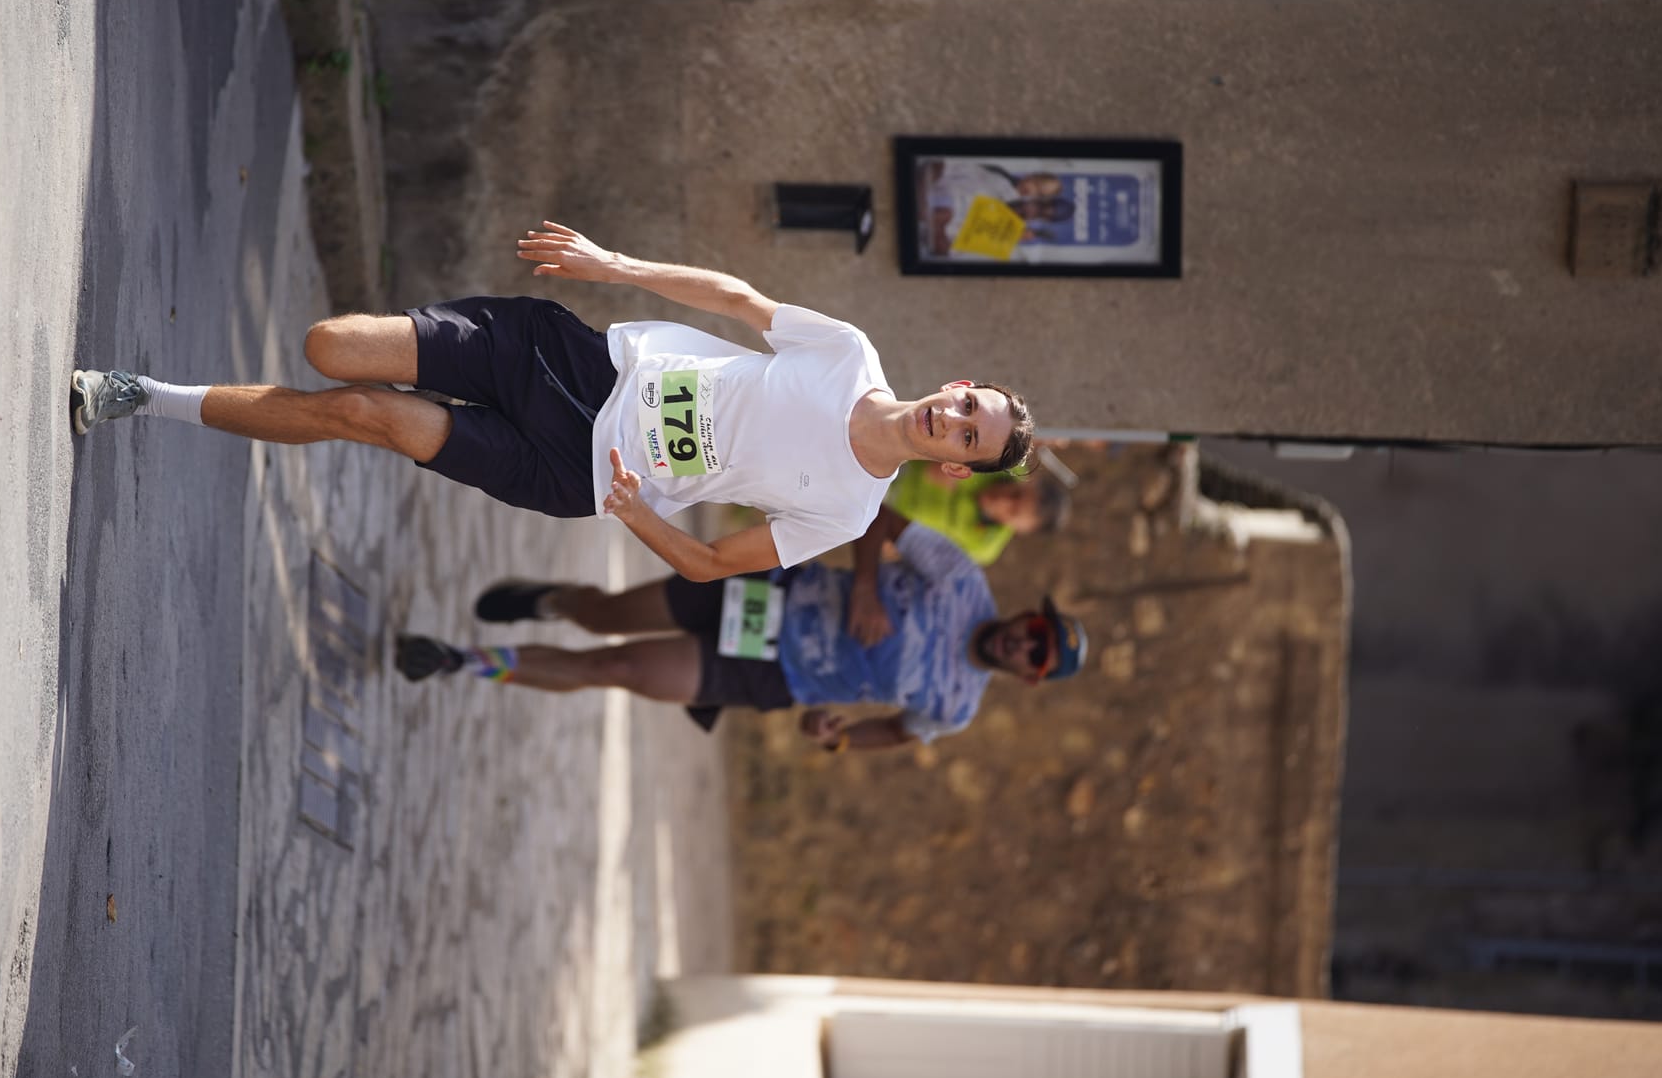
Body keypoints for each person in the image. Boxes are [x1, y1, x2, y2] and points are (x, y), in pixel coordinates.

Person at [71, 222, 1037, 580]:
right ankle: (180, 393)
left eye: (968, 438)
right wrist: (610, 263)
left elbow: (706, 563)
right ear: (954, 389)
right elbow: (738, 299)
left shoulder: (849, 507)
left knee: (363, 414)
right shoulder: (849, 352)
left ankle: (140, 396)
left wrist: (630, 514)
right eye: (966, 406)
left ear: (954, 466)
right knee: (335, 347)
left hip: (579, 470)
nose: (952, 422)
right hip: (577, 361)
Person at [392, 505, 1089, 751]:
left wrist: (837, 736)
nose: (1025, 640)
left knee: (619, 670)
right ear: (1029, 616)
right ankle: (554, 600)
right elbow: (874, 517)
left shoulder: (956, 708)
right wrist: (868, 586)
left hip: (769, 673)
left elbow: (897, 732)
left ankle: (459, 660)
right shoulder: (963, 578)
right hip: (764, 592)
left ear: (1028, 675)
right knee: (605, 617)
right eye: (1037, 629)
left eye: (1037, 654)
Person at [882, 460, 1071, 567]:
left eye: (1012, 512)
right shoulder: (1007, 459)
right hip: (896, 461)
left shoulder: (983, 547)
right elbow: (937, 467)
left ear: (1019, 530)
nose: (1003, 500)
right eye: (1016, 494)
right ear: (1029, 482)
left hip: (881, 516)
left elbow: (911, 555)